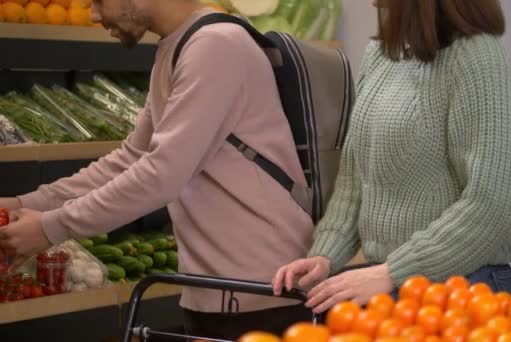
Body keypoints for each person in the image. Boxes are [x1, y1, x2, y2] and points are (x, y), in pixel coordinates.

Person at [0, 0, 314, 339]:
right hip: (214, 289)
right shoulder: (179, 46)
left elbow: (160, 175)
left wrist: (51, 227)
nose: (92, 14)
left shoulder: (216, 46)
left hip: (263, 290)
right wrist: (24, 203)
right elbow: (131, 158)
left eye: (98, 1)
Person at [273, 0, 511, 315]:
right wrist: (326, 255)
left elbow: (492, 207)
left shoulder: (479, 58)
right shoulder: (382, 55)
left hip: (463, 289)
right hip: (391, 282)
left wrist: (390, 272)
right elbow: (355, 182)